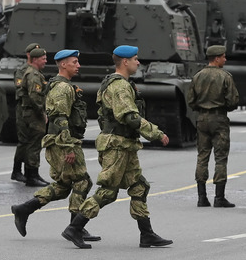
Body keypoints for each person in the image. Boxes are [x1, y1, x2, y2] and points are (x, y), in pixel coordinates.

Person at [62, 45, 173, 249]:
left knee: (139, 186)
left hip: (125, 145)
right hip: (117, 145)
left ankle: (146, 234)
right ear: (125, 62)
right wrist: (156, 133)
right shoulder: (119, 86)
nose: (138, 62)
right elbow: (130, 117)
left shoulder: (118, 83)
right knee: (108, 191)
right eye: (135, 59)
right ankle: (75, 227)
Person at [11, 49, 100, 242]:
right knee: (82, 182)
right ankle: (74, 228)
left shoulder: (64, 85)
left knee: (63, 186)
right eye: (74, 62)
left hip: (61, 141)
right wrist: (68, 147)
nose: (78, 66)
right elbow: (60, 119)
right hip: (64, 142)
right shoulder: (62, 88)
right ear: (63, 64)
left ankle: (24, 209)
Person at [187, 44, 240, 208]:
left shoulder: (198, 76)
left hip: (202, 119)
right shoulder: (225, 76)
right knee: (220, 157)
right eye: (223, 56)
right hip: (219, 119)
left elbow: (191, 100)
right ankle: (219, 197)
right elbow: (233, 101)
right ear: (216, 58)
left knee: (202, 157)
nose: (225, 59)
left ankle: (201, 197)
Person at [12, 43, 51, 187]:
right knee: (31, 143)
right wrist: (42, 111)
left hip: (29, 110)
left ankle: (31, 174)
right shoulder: (32, 74)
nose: (46, 61)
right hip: (29, 111)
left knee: (31, 143)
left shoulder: (33, 72)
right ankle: (29, 175)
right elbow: (34, 96)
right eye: (43, 58)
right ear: (33, 58)